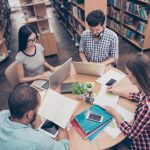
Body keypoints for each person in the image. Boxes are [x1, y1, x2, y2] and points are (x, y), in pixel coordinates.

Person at [0, 84, 69, 150]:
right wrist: (62, 124)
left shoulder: (2, 114)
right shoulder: (38, 140)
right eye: (38, 106)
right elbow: (64, 148)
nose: (39, 108)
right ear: (30, 114)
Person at [105, 53, 150, 150]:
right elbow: (139, 96)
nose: (126, 77)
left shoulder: (146, 108)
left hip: (142, 143)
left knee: (112, 142)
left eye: (128, 74)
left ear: (137, 76)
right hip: (140, 131)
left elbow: (131, 134)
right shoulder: (146, 88)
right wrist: (118, 91)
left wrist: (115, 113)